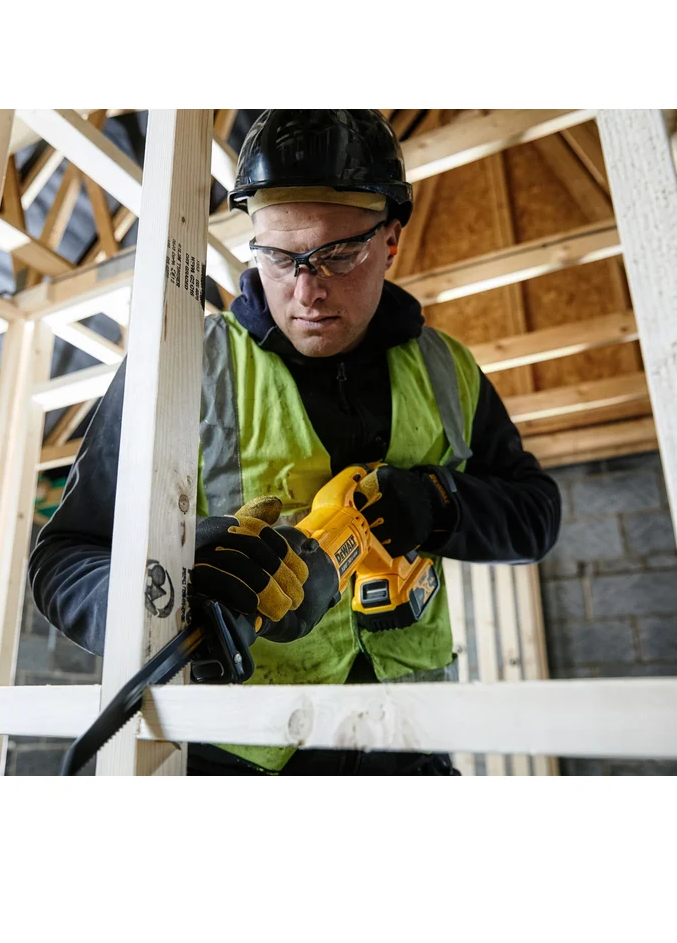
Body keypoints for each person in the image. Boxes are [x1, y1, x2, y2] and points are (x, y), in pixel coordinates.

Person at [28, 109, 561, 776]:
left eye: (339, 255)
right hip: (238, 759)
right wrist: (172, 586)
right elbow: (64, 560)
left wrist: (439, 504)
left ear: (391, 239)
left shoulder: (446, 369)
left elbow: (537, 514)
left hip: (408, 747)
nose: (307, 291)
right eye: (280, 257)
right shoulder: (182, 366)